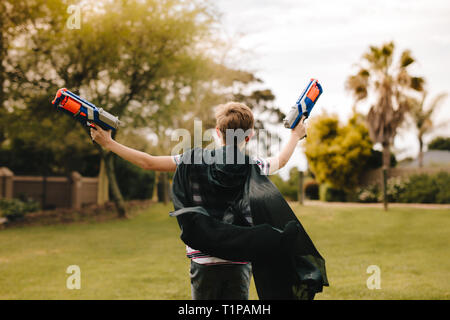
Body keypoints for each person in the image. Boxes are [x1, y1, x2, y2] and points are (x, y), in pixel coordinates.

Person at [91, 102, 310, 300]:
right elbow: (280, 160)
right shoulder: (253, 165)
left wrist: (109, 143)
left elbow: (148, 162)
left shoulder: (191, 160)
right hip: (239, 261)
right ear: (249, 135)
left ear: (217, 132)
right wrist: (295, 135)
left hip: (203, 262)